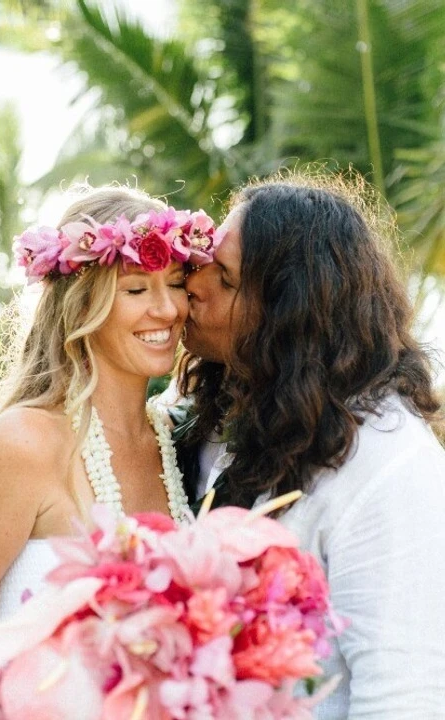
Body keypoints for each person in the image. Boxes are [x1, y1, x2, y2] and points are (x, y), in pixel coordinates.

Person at [172, 172, 445, 718]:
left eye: (225, 279)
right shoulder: (222, 416)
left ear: (288, 313)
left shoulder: (389, 465)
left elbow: (405, 696)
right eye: (206, 261)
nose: (193, 283)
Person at [0, 184, 218, 680]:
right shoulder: (27, 443)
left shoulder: (183, 438)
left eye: (175, 283)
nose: (167, 310)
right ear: (81, 305)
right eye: (136, 289)